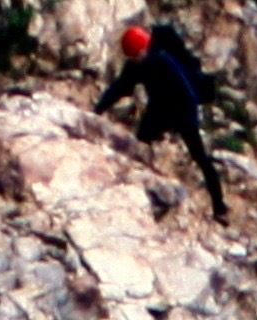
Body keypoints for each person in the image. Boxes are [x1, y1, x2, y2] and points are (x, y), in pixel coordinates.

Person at [94, 20, 230, 220]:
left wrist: (189, 119)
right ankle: (136, 190)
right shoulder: (135, 66)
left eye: (138, 54)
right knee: (139, 144)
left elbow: (188, 92)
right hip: (159, 108)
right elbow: (118, 88)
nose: (137, 58)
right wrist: (98, 110)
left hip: (182, 110)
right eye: (134, 56)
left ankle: (219, 207)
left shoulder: (164, 60)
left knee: (200, 157)